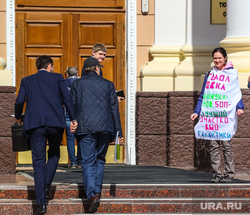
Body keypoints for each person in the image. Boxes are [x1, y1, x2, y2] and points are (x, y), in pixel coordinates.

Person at [15, 55, 78, 215]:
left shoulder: (27, 80)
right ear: (50, 65)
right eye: (53, 66)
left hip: (35, 124)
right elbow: (67, 99)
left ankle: (41, 203)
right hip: (55, 123)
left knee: (38, 161)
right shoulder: (57, 78)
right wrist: (73, 118)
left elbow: (19, 101)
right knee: (55, 154)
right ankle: (45, 184)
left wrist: (17, 116)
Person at [71, 57, 123, 213]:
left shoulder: (77, 84)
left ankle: (92, 195)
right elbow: (114, 110)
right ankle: (97, 192)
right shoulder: (108, 84)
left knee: (88, 161)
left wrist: (74, 122)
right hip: (105, 128)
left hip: (85, 128)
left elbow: (72, 106)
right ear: (96, 68)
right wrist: (118, 132)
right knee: (100, 160)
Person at [191, 47, 244, 183]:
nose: (217, 61)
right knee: (213, 145)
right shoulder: (210, 75)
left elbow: (236, 93)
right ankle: (217, 173)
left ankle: (229, 173)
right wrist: (197, 111)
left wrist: (239, 107)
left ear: (225, 58)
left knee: (226, 144)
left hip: (225, 116)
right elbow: (204, 95)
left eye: (219, 58)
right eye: (215, 58)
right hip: (212, 116)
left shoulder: (231, 74)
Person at [64, 67, 81, 168]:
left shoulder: (63, 83)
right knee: (80, 139)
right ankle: (80, 161)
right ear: (78, 73)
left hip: (67, 115)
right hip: (80, 116)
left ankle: (73, 162)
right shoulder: (82, 83)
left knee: (70, 139)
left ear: (67, 74)